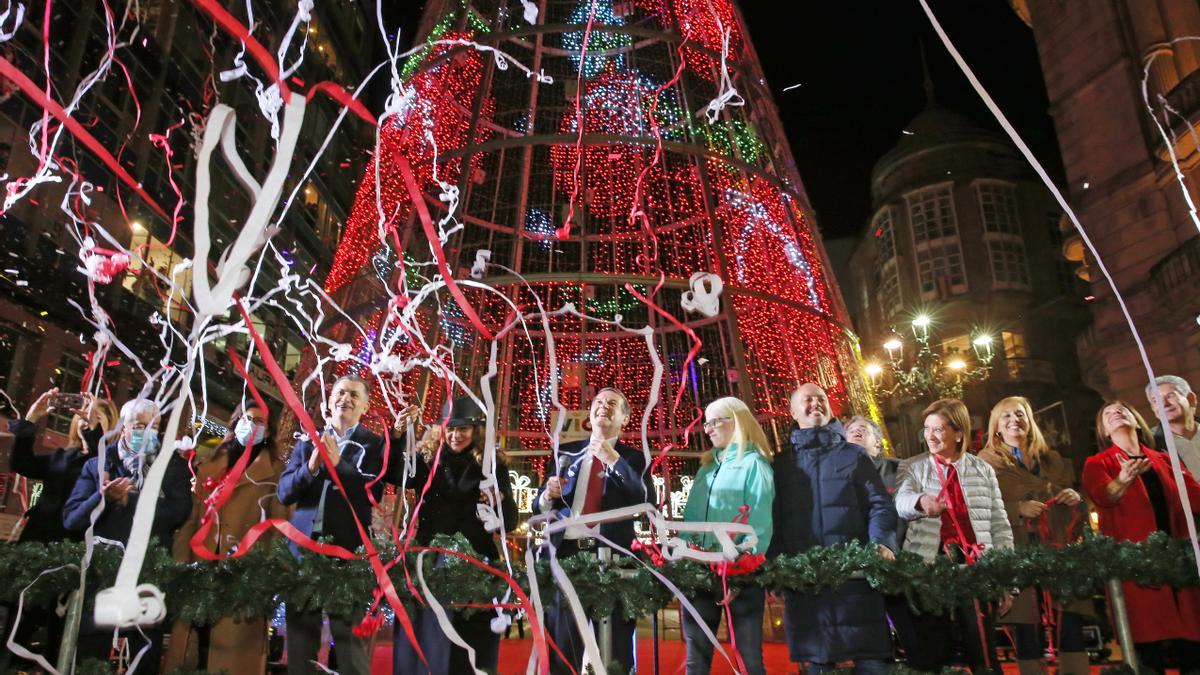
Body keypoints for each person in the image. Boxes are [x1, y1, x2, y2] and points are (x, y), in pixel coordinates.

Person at [276, 375, 417, 675]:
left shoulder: (374, 444)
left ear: (365, 406)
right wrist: (312, 467)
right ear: (329, 401)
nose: (345, 399)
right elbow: (284, 491)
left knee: (351, 647)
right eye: (340, 392)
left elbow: (372, 491)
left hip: (348, 555)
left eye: (354, 395)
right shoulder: (308, 441)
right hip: (303, 554)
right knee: (300, 648)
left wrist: (339, 463)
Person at [768, 384, 897, 675]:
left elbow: (879, 504)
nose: (815, 404)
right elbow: (774, 522)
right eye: (807, 400)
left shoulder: (854, 455)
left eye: (821, 399)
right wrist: (775, 570)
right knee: (818, 664)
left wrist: (882, 543)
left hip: (856, 581)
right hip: (807, 586)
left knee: (871, 661)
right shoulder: (781, 464)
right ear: (792, 411)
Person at [62, 397, 193, 674]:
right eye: (139, 425)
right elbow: (72, 520)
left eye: (154, 426)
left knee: (141, 656)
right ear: (123, 428)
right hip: (100, 581)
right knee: (90, 658)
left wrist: (130, 501)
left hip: (148, 582)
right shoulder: (97, 465)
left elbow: (178, 512)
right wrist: (104, 499)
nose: (147, 432)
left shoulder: (173, 467)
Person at [393, 395, 518, 675]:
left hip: (477, 565)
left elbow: (509, 522)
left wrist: (500, 502)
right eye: (450, 428)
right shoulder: (427, 459)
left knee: (470, 645)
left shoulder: (492, 465)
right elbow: (396, 473)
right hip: (428, 562)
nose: (455, 435)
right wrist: (400, 435)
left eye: (462, 429)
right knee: (426, 640)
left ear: (476, 431)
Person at [536, 387, 653, 675]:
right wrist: (547, 495)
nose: (603, 406)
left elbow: (646, 501)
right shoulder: (566, 451)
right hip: (566, 560)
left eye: (612, 403)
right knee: (562, 652)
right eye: (598, 402)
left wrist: (613, 459)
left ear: (625, 419)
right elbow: (539, 508)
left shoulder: (635, 459)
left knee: (617, 654)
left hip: (613, 563)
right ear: (590, 413)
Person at [165, 403, 287, 675]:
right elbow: (191, 519)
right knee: (194, 644)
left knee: (230, 655)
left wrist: (267, 573)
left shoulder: (276, 472)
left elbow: (280, 528)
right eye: (246, 417)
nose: (252, 424)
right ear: (235, 423)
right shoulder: (211, 464)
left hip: (244, 574)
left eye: (259, 421)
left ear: (268, 431)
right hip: (201, 566)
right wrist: (181, 561)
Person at [894, 398, 1013, 675]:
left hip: (976, 569)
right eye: (927, 429)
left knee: (983, 653)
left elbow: (1000, 525)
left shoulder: (983, 469)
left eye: (937, 429)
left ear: (958, 432)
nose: (930, 436)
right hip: (928, 570)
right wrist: (921, 502)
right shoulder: (912, 467)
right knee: (933, 654)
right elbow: (900, 501)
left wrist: (1006, 581)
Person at [1, 388, 115, 671]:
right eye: (83, 416)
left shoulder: (109, 462)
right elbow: (21, 463)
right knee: (18, 624)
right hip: (38, 549)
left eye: (95, 417)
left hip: (73, 557)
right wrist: (32, 418)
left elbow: (101, 468)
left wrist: (94, 435)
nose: (86, 420)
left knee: (59, 634)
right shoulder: (63, 456)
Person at [1082, 401, 1200, 672]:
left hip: (1177, 572)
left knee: (1192, 651)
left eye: (1122, 410)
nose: (1116, 413)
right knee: (1149, 654)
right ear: (1103, 431)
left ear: (1137, 421)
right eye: (1108, 414)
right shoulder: (1098, 463)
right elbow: (1103, 495)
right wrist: (1122, 479)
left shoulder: (1165, 459)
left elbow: (1195, 496)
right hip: (1137, 573)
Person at [979, 396, 1089, 675]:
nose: (1014, 419)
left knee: (1070, 617)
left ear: (1029, 422)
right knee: (1025, 622)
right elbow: (979, 506)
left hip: (1057, 546)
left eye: (1020, 414)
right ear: (996, 428)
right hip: (1018, 548)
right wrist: (1018, 508)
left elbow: (1082, 501)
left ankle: (1075, 671)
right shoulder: (985, 463)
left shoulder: (1053, 460)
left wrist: (1075, 497)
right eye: (1006, 416)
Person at [680, 396, 775, 675]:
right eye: (706, 423)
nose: (708, 429)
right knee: (696, 657)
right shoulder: (706, 467)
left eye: (715, 421)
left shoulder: (755, 464)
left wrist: (741, 568)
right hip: (700, 570)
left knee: (747, 658)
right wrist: (687, 559)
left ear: (738, 421)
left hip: (739, 573)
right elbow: (692, 520)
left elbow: (760, 522)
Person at [1145, 375, 1200, 478]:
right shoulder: (1150, 443)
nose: (1164, 404)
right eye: (1156, 401)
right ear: (1153, 408)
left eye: (1170, 396)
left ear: (1191, 399)